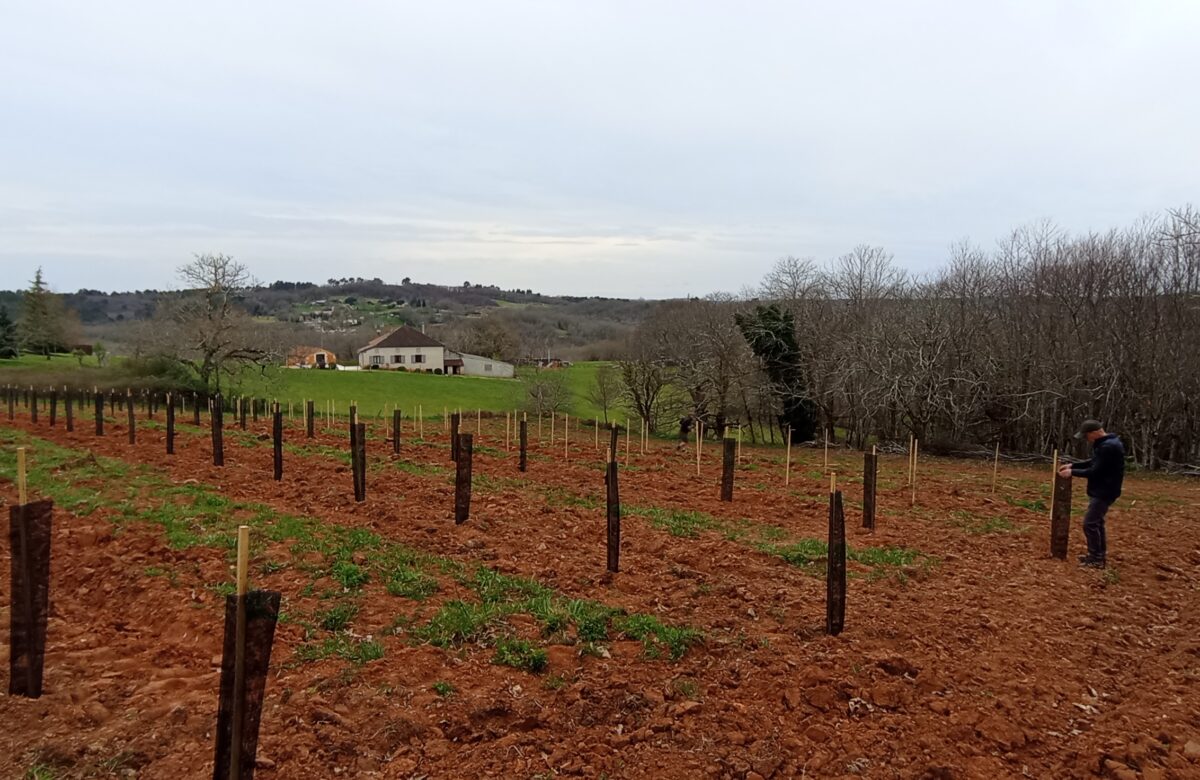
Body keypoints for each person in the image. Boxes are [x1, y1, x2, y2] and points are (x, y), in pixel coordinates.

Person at [1057, 420, 1125, 569]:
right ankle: (1098, 556)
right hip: (1104, 489)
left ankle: (1096, 559)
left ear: (1094, 433)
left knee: (1090, 523)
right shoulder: (1108, 443)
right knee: (1097, 523)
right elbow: (1095, 462)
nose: (1086, 439)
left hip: (1104, 491)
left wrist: (1072, 472)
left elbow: (1095, 471)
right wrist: (1073, 465)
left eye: (1087, 435)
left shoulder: (1108, 447)